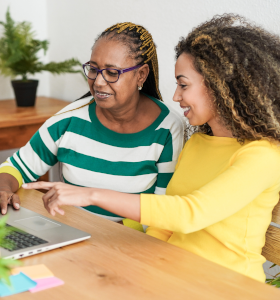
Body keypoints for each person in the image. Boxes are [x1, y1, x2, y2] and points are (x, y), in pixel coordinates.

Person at [23, 14, 280, 282]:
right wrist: (136, 265)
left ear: (220, 86)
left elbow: (189, 214)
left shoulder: (263, 155)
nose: (175, 96)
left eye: (183, 85)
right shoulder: (197, 143)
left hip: (226, 285)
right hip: (172, 274)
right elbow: (162, 226)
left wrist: (91, 195)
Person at [0, 22, 184, 230]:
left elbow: (163, 211)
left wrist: (103, 231)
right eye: (93, 69)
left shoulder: (168, 128)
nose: (99, 82)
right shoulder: (69, 119)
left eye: (112, 73)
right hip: (71, 235)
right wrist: (2, 189)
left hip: (132, 245)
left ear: (141, 75)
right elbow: (15, 168)